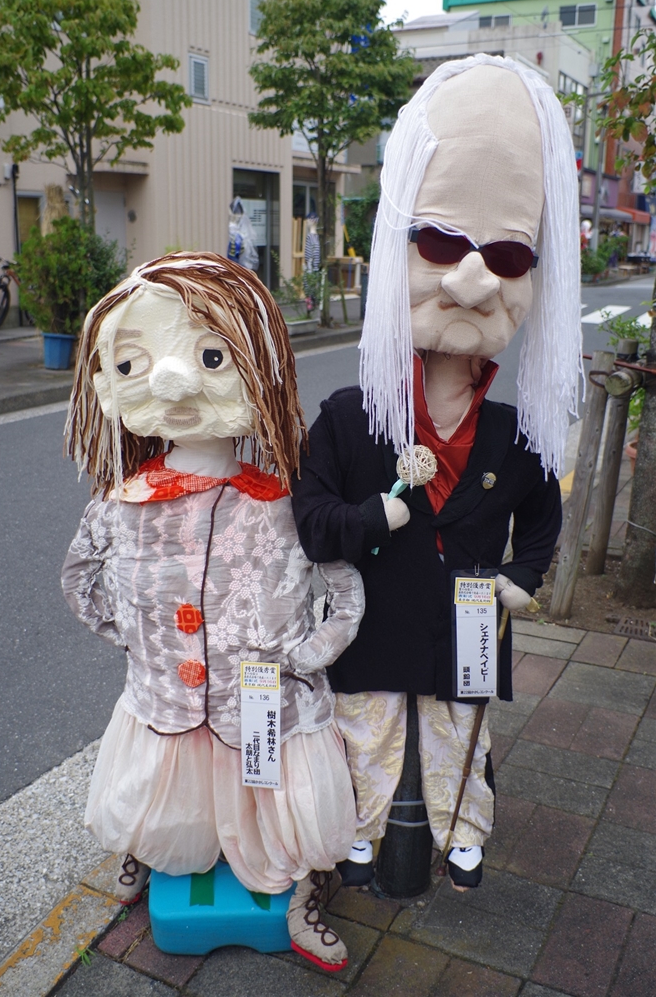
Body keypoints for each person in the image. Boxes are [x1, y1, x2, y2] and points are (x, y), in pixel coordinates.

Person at [291, 56, 582, 892]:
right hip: (374, 619)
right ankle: (359, 835)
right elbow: (310, 519)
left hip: (466, 622)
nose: (469, 276)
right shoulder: (350, 415)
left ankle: (463, 832)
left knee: (463, 732)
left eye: (505, 254)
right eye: (442, 242)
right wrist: (371, 518)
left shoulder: (514, 433)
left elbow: (542, 516)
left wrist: (521, 576)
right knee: (366, 727)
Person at [62, 252, 364, 970]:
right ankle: (147, 848)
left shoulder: (285, 502)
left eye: (210, 356)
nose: (173, 381)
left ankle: (301, 891)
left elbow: (344, 588)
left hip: (267, 703)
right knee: (159, 791)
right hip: (164, 696)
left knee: (284, 812)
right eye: (132, 365)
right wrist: (141, 641)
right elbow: (79, 579)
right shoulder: (123, 500)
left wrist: (306, 655)